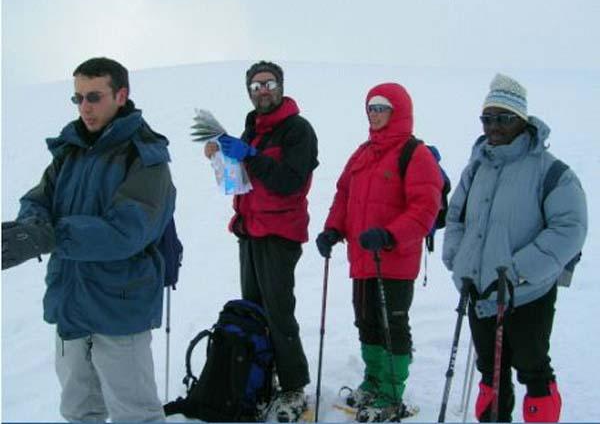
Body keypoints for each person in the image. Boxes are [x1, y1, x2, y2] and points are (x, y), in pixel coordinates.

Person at [1, 57, 175, 422]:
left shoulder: (145, 157)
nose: (85, 107)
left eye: (94, 97)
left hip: (119, 306)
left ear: (121, 95)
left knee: (135, 414)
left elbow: (126, 232)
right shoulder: (71, 150)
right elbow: (37, 200)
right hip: (70, 302)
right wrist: (31, 229)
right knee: (79, 410)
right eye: (77, 98)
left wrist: (48, 235)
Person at [442, 73, 587, 422]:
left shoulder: (552, 172)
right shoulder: (476, 168)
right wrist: (457, 262)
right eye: (487, 118)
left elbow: (570, 229)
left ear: (522, 120)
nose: (494, 126)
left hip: (528, 293)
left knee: (532, 367)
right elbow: (456, 217)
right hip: (479, 289)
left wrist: (518, 271)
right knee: (490, 370)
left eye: (503, 118)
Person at [315, 83, 443, 422]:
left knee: (392, 326)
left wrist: (389, 234)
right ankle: (373, 381)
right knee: (366, 322)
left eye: (381, 107)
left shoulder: (415, 154)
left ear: (398, 110)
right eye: (370, 107)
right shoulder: (362, 153)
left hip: (396, 260)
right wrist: (332, 229)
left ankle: (391, 390)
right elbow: (344, 194)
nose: (374, 113)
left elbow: (425, 209)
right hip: (362, 258)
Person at [204, 61, 318, 422]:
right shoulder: (252, 128)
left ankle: (294, 386)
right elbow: (243, 179)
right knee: (254, 309)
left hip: (280, 234)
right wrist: (222, 156)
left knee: (278, 311)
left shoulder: (297, 130)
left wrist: (250, 156)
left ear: (281, 86)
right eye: (255, 86)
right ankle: (259, 377)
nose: (262, 91)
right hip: (250, 230)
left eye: (268, 83)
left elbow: (289, 182)